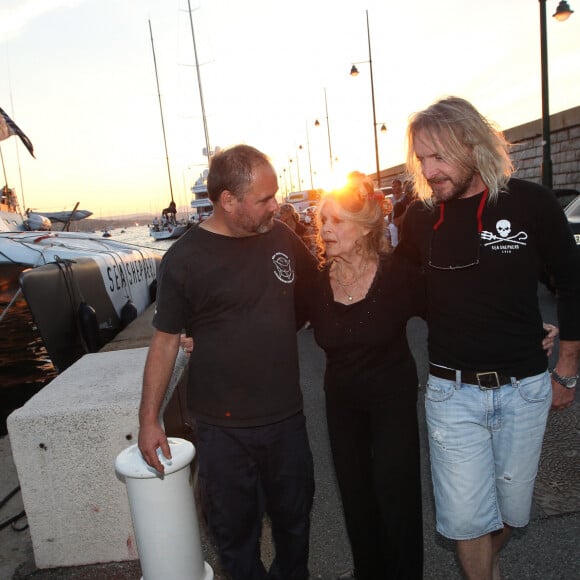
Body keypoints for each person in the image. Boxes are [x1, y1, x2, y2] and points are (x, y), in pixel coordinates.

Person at [397, 96, 580, 580]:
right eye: (422, 158)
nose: (429, 170)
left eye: (439, 156)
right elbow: (401, 291)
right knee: (465, 521)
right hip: (451, 393)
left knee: (508, 514)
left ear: (473, 143)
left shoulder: (530, 203)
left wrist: (567, 365)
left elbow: (572, 283)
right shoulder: (418, 219)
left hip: (524, 389)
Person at [138, 144, 317, 580]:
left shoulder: (281, 238)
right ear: (228, 201)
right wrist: (149, 420)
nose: (277, 206)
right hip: (222, 432)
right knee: (235, 541)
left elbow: (315, 300)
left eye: (275, 195)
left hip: (286, 421)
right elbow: (163, 344)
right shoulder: (183, 259)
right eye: (264, 199)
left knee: (296, 529)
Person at [308, 174, 426, 579]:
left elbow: (455, 311)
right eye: (323, 220)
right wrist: (205, 337)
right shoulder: (316, 284)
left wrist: (528, 331)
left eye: (337, 221)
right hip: (342, 406)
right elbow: (268, 322)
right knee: (357, 500)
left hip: (392, 402)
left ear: (364, 229)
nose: (325, 229)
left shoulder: (397, 275)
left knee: (397, 497)